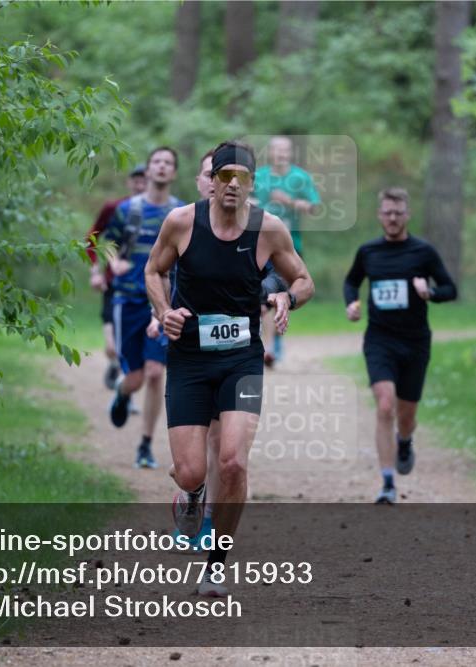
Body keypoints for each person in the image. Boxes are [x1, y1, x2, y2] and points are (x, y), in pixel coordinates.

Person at [145, 140, 314, 595]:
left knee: (234, 461)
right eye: (225, 176)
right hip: (189, 358)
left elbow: (303, 279)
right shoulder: (182, 222)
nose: (234, 185)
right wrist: (165, 313)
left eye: (243, 178)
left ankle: (215, 563)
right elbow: (153, 271)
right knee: (191, 470)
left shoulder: (268, 229)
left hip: (241, 359)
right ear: (211, 180)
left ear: (252, 184)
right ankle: (191, 493)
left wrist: (285, 296)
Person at [343, 187, 457, 505]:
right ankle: (388, 482)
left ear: (407, 215)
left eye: (398, 213)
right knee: (384, 404)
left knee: (406, 415)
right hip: (380, 339)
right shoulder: (368, 252)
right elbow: (351, 281)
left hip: (415, 342)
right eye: (387, 213)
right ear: (380, 216)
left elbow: (451, 289)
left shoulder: (423, 252)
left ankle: (404, 440)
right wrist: (352, 302)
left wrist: (429, 292)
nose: (392, 218)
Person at [100, 148, 183, 469]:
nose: (162, 167)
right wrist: (115, 261)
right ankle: (122, 393)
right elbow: (104, 241)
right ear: (148, 171)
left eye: (168, 163)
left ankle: (145, 445)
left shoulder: (180, 213)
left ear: (173, 173)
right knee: (133, 378)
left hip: (163, 302)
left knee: (154, 373)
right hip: (128, 299)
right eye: (157, 162)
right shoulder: (127, 210)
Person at [252, 136, 321, 366]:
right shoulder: (259, 176)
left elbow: (314, 207)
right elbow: (247, 200)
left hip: (290, 246)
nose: (281, 154)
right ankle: (268, 347)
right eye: (277, 150)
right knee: (262, 295)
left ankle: (272, 346)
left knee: (275, 294)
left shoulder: (300, 178)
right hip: (258, 244)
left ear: (290, 153)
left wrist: (290, 201)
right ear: (270, 152)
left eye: (285, 150)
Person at [87, 165, 147, 389]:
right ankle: (115, 364)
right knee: (112, 345)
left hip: (144, 285)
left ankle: (126, 382)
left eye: (144, 180)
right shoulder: (115, 208)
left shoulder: (160, 212)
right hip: (114, 282)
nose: (140, 185)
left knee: (132, 343)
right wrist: (96, 272)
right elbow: (92, 240)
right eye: (136, 180)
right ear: (128, 183)